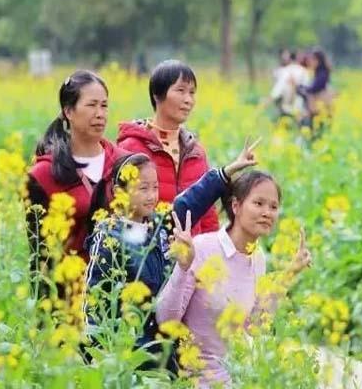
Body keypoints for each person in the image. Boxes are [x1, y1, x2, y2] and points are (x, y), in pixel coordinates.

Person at [83, 139, 261, 369]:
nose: (151, 196)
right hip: (127, 353)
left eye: (155, 187)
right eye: (142, 188)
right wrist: (99, 360)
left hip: (165, 352)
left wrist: (227, 172)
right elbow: (94, 301)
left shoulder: (159, 225)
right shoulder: (108, 236)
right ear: (119, 192)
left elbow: (192, 200)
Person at [156, 170, 312, 387]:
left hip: (235, 375)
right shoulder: (202, 248)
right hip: (193, 377)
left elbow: (255, 325)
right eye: (258, 203)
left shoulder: (257, 258)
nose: (267, 212)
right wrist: (182, 268)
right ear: (236, 206)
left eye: (273, 207)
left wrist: (289, 274)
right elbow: (166, 320)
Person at [26, 70, 128, 299]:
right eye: (91, 105)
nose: (100, 114)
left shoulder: (124, 163)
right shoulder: (42, 175)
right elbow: (39, 259)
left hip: (117, 300)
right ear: (68, 111)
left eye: (104, 106)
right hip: (68, 301)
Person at [117, 60, 218, 236]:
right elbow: (120, 207)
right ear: (157, 94)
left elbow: (207, 213)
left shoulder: (196, 152)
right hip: (145, 254)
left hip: (190, 257)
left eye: (192, 93)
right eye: (180, 91)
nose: (188, 100)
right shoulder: (131, 147)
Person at [263, 49, 310, 121]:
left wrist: (267, 101)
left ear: (290, 59)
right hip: (303, 108)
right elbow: (307, 89)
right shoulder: (305, 71)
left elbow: (277, 90)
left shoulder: (286, 71)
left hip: (289, 107)